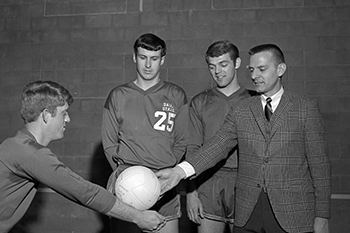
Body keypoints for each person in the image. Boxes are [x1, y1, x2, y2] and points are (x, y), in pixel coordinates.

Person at [156, 44, 331, 233]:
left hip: (293, 214)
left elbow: (320, 166)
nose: (255, 75)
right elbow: (217, 146)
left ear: (280, 69)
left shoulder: (305, 108)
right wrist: (179, 172)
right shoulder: (242, 109)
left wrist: (322, 216)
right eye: (252, 70)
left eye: (262, 69)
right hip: (247, 213)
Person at [0, 81, 166, 233]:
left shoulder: (16, 145)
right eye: (63, 113)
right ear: (45, 115)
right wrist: (139, 217)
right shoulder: (30, 153)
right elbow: (86, 193)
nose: (68, 119)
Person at [101, 33, 188, 233]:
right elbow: (109, 143)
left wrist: (162, 171)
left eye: (154, 58)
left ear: (162, 60)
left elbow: (182, 141)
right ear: (134, 57)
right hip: (127, 183)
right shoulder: (118, 95)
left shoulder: (176, 95)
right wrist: (126, 174)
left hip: (164, 184)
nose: (148, 65)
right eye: (143, 57)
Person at [185, 40, 256, 233]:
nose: (218, 71)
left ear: (237, 63)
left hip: (245, 182)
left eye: (223, 64)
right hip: (208, 183)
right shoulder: (200, 102)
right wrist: (191, 193)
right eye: (212, 66)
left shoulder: (255, 101)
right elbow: (193, 149)